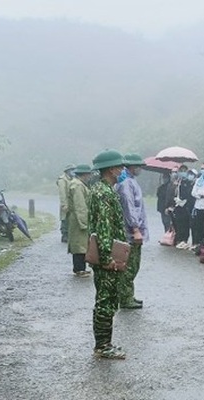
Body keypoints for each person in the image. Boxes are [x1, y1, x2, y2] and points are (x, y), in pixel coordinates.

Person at [88, 149, 128, 360]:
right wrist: (107, 259)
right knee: (105, 300)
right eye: (120, 167)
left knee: (108, 299)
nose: (123, 170)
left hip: (109, 253)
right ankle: (103, 346)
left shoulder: (103, 190)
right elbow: (103, 228)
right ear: (112, 169)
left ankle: (104, 343)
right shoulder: (103, 193)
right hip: (107, 256)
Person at [116, 153, 149, 309]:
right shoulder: (126, 183)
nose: (140, 169)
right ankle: (125, 297)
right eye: (138, 166)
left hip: (133, 230)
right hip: (130, 232)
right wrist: (135, 229)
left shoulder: (129, 181)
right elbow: (129, 208)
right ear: (132, 167)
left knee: (133, 265)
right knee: (130, 265)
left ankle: (128, 294)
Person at [66, 164, 93, 277]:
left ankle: (81, 267)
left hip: (78, 217)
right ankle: (79, 268)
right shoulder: (77, 185)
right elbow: (80, 205)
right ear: (85, 174)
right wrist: (83, 222)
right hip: (78, 218)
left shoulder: (78, 184)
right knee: (79, 244)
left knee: (81, 243)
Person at [57, 164, 76, 242]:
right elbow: (62, 193)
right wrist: (64, 204)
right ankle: (64, 235)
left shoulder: (73, 179)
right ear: (67, 171)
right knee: (65, 219)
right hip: (66, 202)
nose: (73, 171)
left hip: (73, 202)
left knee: (71, 219)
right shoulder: (62, 180)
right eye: (71, 170)